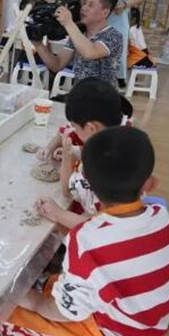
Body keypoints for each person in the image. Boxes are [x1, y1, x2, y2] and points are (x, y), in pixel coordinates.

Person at [0, 127, 169, 336]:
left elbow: (67, 312)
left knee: (3, 320)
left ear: (88, 186)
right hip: (147, 325)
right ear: (150, 184)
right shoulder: (160, 216)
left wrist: (34, 303)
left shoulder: (87, 239)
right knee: (55, 284)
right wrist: (64, 228)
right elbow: (114, 248)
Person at [36, 79, 129, 228]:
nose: (73, 131)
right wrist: (75, 151)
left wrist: (58, 213)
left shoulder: (100, 168)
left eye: (75, 127)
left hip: (109, 233)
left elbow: (67, 192)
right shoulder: (123, 133)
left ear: (91, 128)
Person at [79, 0, 147, 86]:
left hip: (118, 18)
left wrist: (125, 3)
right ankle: (83, 85)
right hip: (94, 19)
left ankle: (112, 89)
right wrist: (90, 5)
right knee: (89, 51)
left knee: (113, 58)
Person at [34, 0, 123, 86]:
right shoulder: (79, 34)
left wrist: (68, 23)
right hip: (80, 94)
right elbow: (57, 65)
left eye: (91, 5)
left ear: (105, 13)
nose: (84, 8)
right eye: (84, 3)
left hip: (102, 98)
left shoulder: (114, 36)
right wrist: (38, 44)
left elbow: (90, 52)